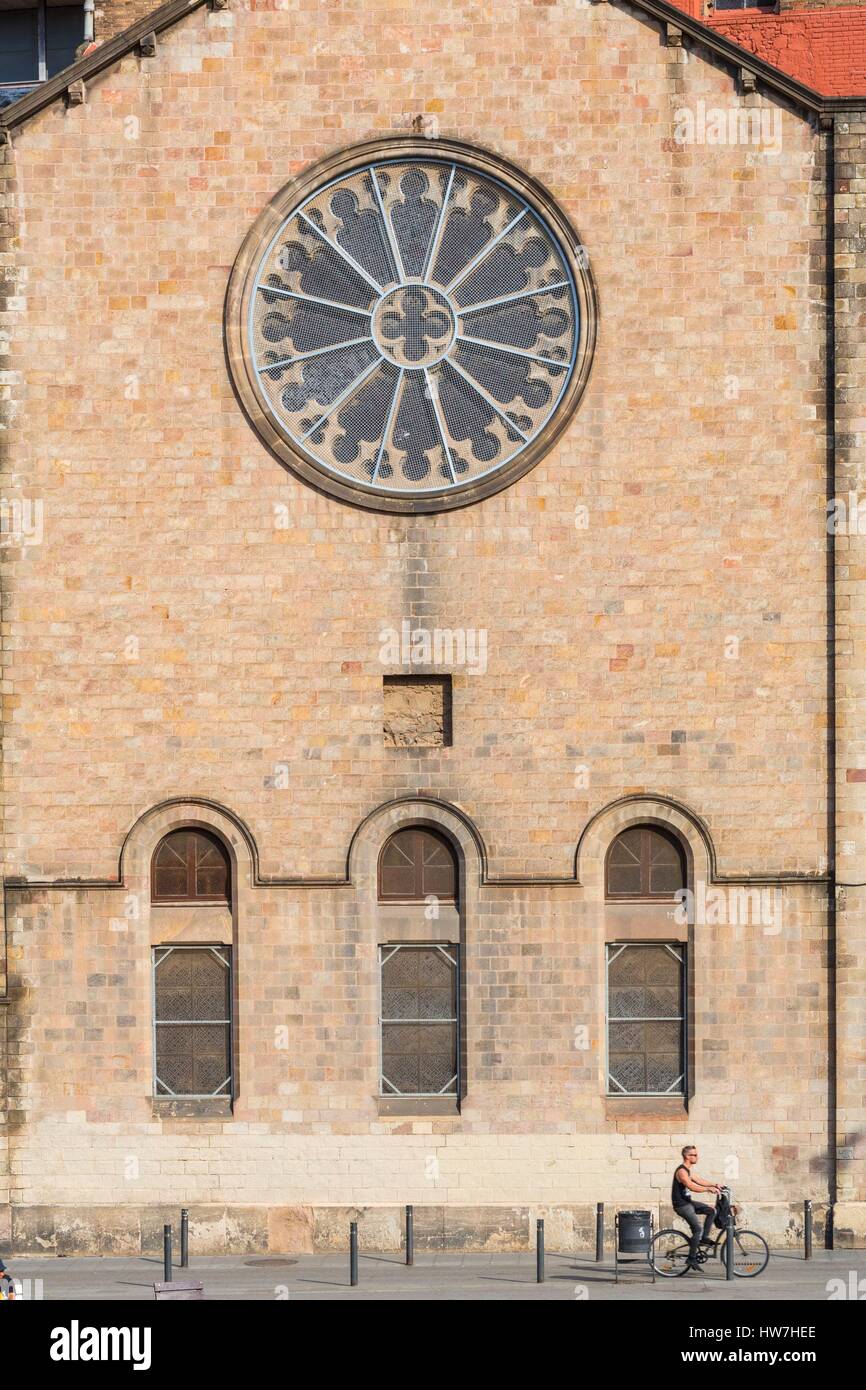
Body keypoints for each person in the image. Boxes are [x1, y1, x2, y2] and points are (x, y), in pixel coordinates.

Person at [672, 1144, 721, 1271]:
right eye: (693, 1155)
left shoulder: (688, 1170)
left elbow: (698, 1180)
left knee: (712, 1210)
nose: (696, 1157)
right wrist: (708, 1190)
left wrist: (715, 1184)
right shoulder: (681, 1171)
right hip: (682, 1205)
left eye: (696, 1154)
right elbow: (691, 1186)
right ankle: (691, 1258)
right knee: (697, 1229)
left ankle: (704, 1238)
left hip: (688, 1202)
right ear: (686, 1156)